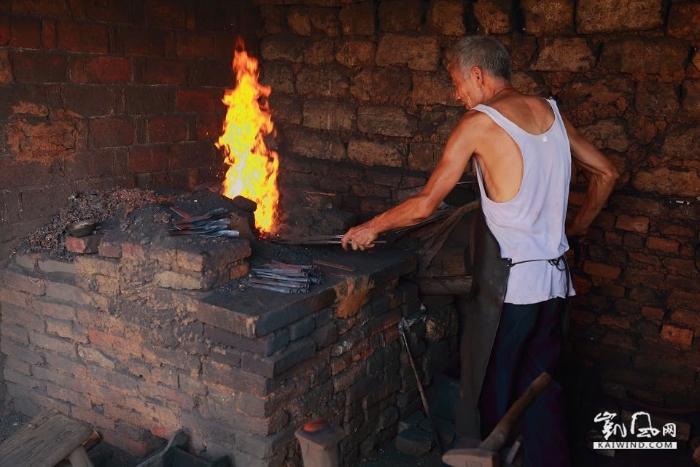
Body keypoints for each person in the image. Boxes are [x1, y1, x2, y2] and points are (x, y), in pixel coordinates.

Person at [341, 35, 619, 466]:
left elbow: (426, 205)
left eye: (457, 83)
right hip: (556, 286)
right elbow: (606, 172)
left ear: (477, 73)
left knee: (490, 394)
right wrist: (574, 231)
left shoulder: (479, 123)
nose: (457, 96)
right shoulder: (553, 113)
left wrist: (371, 227)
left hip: (512, 292)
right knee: (540, 387)